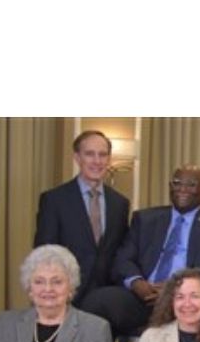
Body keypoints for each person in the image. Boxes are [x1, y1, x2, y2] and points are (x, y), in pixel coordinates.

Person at [80, 165, 200, 336]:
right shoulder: (145, 218)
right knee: (97, 302)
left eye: (191, 184)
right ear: (170, 186)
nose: (182, 189)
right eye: (177, 183)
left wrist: (178, 288)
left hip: (188, 300)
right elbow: (123, 258)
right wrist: (137, 282)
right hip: (143, 297)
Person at [33, 130, 130, 305]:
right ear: (77, 158)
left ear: (109, 159)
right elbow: (45, 253)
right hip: (65, 297)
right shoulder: (54, 199)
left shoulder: (120, 203)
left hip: (106, 300)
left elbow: (121, 253)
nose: (97, 161)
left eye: (102, 155)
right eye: (90, 154)